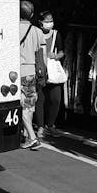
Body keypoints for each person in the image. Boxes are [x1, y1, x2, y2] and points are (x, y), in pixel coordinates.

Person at [35, 10, 65, 139]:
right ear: (40, 22)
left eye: (51, 21)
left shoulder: (56, 34)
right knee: (40, 99)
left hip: (52, 70)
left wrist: (56, 56)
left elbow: (62, 52)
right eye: (47, 21)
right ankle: (41, 127)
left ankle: (51, 125)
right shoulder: (35, 33)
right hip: (40, 70)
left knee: (55, 99)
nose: (49, 23)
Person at [19, 0, 44, 150]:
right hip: (31, 72)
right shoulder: (37, 32)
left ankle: (32, 137)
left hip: (16, 71)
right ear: (32, 15)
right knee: (29, 106)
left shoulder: (10, 29)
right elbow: (41, 55)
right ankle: (28, 137)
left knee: (21, 106)